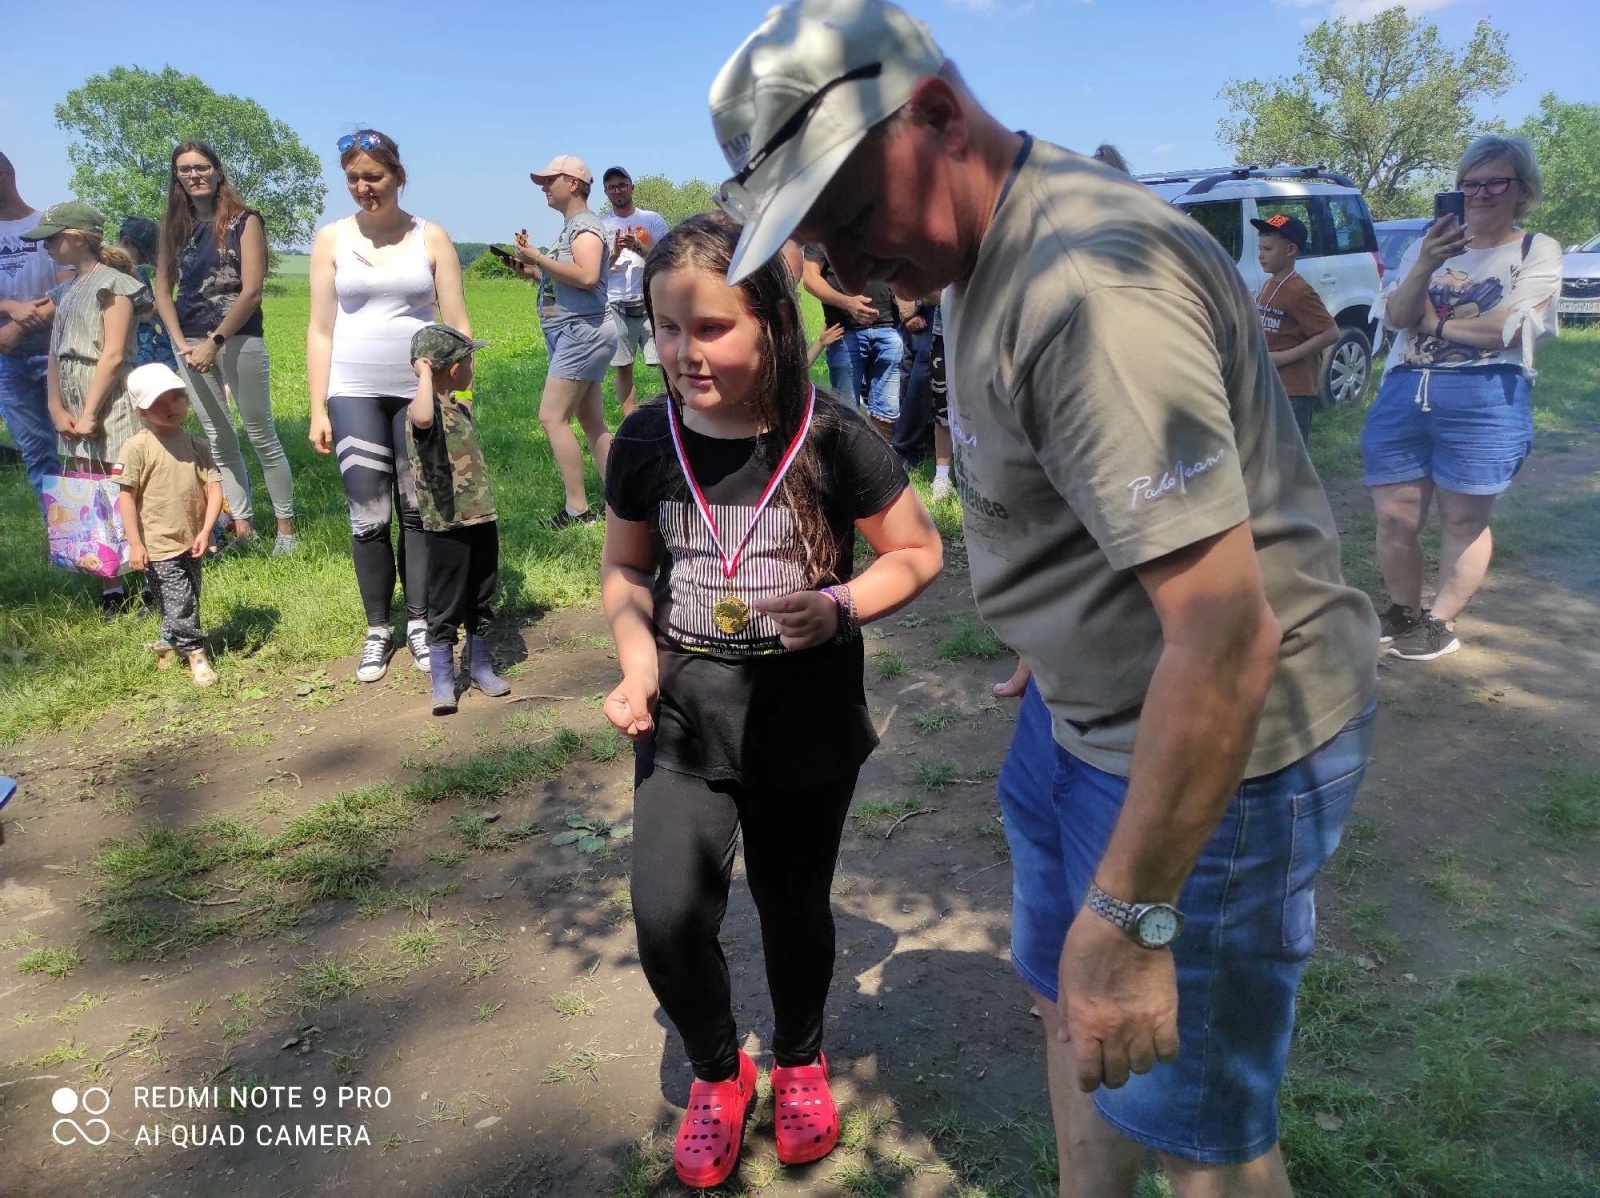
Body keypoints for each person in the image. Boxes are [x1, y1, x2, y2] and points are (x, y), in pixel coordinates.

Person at [710, 4, 1380, 1195]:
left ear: (932, 112)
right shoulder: (974, 250)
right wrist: (1055, 617)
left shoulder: (1084, 290)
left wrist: (1131, 919)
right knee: (1075, 1015)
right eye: (822, 244)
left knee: (1196, 1133)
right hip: (1082, 713)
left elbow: (1226, 637)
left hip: (1217, 746)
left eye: (853, 221)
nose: (850, 272)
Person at [601, 213, 942, 1189]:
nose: (683, 352)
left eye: (710, 328)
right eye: (667, 329)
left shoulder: (832, 434)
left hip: (805, 722)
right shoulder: (643, 437)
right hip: (681, 721)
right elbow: (625, 571)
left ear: (771, 324)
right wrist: (633, 657)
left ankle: (797, 1058)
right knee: (664, 912)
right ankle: (720, 1072)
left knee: (794, 905)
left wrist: (839, 604)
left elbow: (918, 551)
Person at [1360, 135, 1561, 663]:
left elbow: (1508, 331)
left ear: (1522, 190)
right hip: (1406, 389)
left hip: (1485, 395)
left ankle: (1440, 621)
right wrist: (1425, 262)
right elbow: (1400, 317)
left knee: (1461, 519)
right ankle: (1402, 610)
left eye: (1497, 181)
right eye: (1470, 183)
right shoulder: (1427, 244)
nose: (1481, 193)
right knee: (1394, 517)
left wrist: (1437, 321)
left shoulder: (1534, 249)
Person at [307, 130, 473, 683]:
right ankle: (379, 629)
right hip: (351, 388)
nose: (363, 187)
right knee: (368, 514)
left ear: (400, 177)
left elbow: (456, 324)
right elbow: (319, 329)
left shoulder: (432, 237)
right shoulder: (331, 239)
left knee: (417, 509)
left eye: (374, 177)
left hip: (417, 391)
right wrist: (317, 408)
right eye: (353, 178)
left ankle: (421, 623)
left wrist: (459, 387)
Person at [155, 141, 298, 554]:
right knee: (219, 438)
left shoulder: (244, 221)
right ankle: (243, 528)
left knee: (260, 434)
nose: (194, 175)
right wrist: (180, 341)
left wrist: (214, 342)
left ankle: (287, 531)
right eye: (185, 170)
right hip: (190, 344)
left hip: (238, 339)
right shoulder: (173, 226)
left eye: (201, 167)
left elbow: (251, 290)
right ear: (177, 178)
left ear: (218, 172)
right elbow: (162, 288)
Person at [27, 201, 153, 617]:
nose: (44, 245)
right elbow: (53, 356)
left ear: (77, 238)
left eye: (51, 237)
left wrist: (91, 413)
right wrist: (56, 408)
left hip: (112, 404)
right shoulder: (65, 290)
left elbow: (114, 354)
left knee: (127, 487)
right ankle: (110, 583)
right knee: (88, 490)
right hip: (73, 407)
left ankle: (151, 575)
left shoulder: (114, 286)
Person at [406, 323, 509, 715]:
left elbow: (453, 399)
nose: (472, 366)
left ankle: (480, 665)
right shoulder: (420, 413)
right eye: (469, 360)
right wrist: (425, 372)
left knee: (482, 595)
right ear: (450, 369)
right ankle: (443, 680)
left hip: (481, 517)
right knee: (446, 601)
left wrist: (438, 376)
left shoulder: (459, 406)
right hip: (446, 526)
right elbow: (422, 417)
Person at [513, 156, 619, 528]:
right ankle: (618, 503)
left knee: (552, 417)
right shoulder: (572, 226)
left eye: (550, 180)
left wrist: (539, 257)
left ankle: (577, 508)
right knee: (592, 420)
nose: (544, 186)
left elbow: (588, 276)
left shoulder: (585, 227)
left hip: (581, 333)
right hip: (577, 331)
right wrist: (529, 269)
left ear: (573, 183)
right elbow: (568, 279)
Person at [113, 362, 223, 687]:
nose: (170, 406)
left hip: (193, 539)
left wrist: (206, 530)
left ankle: (167, 641)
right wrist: (135, 542)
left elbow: (214, 488)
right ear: (140, 410)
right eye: (157, 401)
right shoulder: (136, 448)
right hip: (157, 545)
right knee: (180, 599)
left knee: (187, 596)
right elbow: (126, 498)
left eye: (176, 397)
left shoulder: (197, 445)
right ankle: (196, 654)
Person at [0, 152, 72, 494]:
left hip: (57, 350)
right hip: (7, 359)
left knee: (77, 439)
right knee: (36, 452)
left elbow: (70, 286)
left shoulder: (47, 225)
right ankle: (58, 534)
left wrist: (17, 325)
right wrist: (10, 306)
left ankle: (98, 530)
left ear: (4, 174)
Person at [1253, 213, 1338, 447]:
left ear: (1290, 250)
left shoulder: (1299, 291)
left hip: (1294, 390)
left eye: (1268, 249)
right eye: (1260, 248)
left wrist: (1284, 358)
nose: (1260, 255)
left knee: (1290, 455)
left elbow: (1330, 333)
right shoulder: (1270, 284)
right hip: (1270, 383)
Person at [800, 243, 901, 433]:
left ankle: (883, 461)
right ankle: (850, 462)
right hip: (845, 331)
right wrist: (848, 303)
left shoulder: (879, 222)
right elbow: (810, 279)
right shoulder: (824, 231)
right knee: (847, 413)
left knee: (886, 412)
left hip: (889, 328)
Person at [599, 167, 671, 418]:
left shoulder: (652, 220)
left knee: (667, 362)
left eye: (622, 184)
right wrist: (616, 252)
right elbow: (597, 271)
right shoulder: (602, 225)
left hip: (651, 300)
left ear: (632, 187)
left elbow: (667, 258)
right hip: (615, 301)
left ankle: (674, 410)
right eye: (612, 187)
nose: (617, 190)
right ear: (606, 192)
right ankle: (630, 419)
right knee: (623, 366)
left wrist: (639, 247)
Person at [116, 217, 177, 370]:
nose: (143, 261)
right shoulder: (122, 273)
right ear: (126, 241)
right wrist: (167, 302)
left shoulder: (138, 271)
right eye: (142, 255)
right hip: (132, 352)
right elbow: (144, 314)